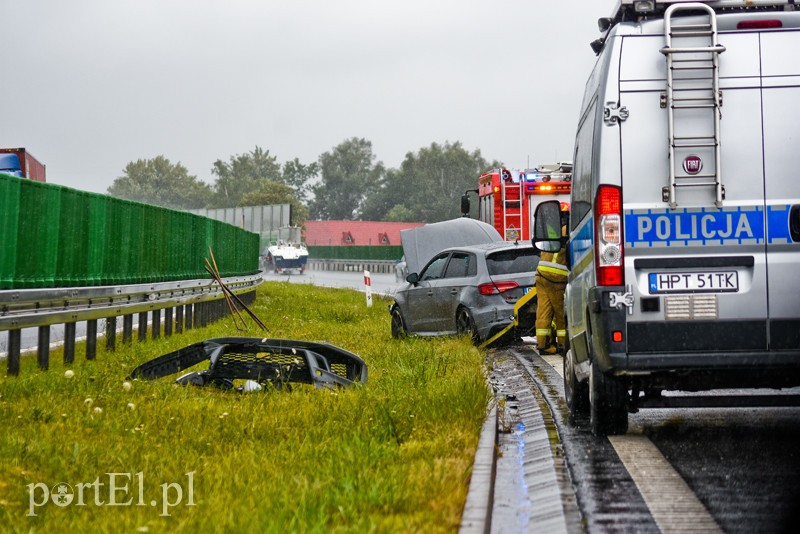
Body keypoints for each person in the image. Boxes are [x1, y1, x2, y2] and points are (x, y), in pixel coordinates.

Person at [535, 225, 569, 355]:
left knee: (543, 310)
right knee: (560, 312)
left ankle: (543, 345)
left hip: (541, 273)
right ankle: (562, 344)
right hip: (557, 277)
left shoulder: (554, 230)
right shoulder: (569, 230)